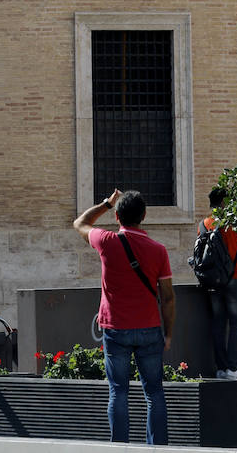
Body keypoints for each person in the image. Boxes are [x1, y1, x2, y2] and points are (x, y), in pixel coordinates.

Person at [73, 187, 175, 445]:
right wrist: (169, 333)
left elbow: (80, 223)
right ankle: (158, 449)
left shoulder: (106, 241)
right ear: (144, 215)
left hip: (116, 329)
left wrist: (107, 203)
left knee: (118, 391)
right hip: (150, 327)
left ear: (117, 217)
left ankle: (120, 447)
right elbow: (168, 296)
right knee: (154, 392)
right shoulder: (158, 250)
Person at [201, 186, 237, 379]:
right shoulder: (235, 223)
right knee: (236, 324)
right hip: (236, 279)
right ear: (225, 203)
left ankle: (222, 369)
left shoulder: (204, 224)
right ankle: (234, 369)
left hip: (213, 281)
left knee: (218, 324)